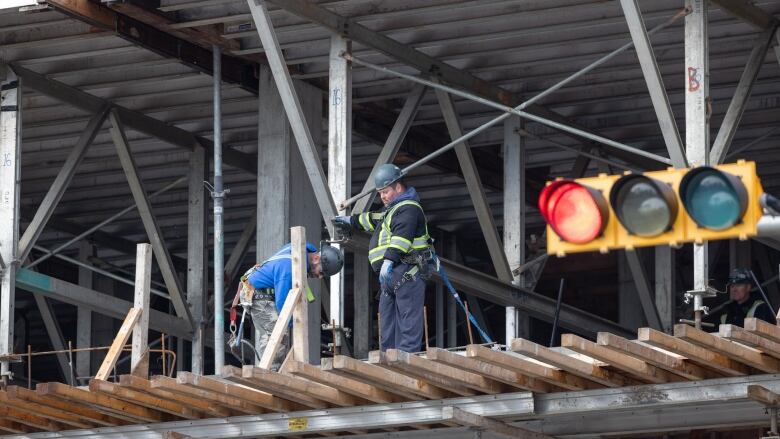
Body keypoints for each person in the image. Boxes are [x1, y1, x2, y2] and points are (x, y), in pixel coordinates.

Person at [334, 164, 433, 353]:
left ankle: (407, 358)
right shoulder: (391, 211)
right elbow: (371, 219)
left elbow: (401, 239)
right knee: (387, 322)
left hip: (406, 271)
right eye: (380, 193)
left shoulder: (408, 208)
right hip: (392, 276)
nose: (383, 197)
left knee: (408, 320)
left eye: (385, 192)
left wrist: (388, 261)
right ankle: (389, 356)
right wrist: (351, 221)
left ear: (398, 187)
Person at [231, 242, 344, 368]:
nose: (319, 277)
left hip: (262, 294)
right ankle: (271, 372)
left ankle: (273, 369)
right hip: (259, 297)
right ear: (316, 258)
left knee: (279, 333)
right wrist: (292, 323)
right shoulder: (289, 267)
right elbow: (282, 303)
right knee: (276, 334)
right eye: (321, 272)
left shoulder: (300, 251)